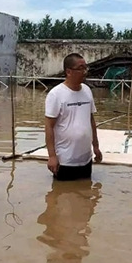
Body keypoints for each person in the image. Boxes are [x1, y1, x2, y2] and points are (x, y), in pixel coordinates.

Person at [44, 53, 102, 181]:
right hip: (65, 161)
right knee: (62, 196)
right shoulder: (56, 94)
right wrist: (52, 156)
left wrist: (96, 147)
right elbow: (48, 126)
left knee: (86, 194)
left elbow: (91, 120)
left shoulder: (87, 91)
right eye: (81, 68)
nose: (85, 72)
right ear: (69, 72)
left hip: (85, 159)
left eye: (85, 67)